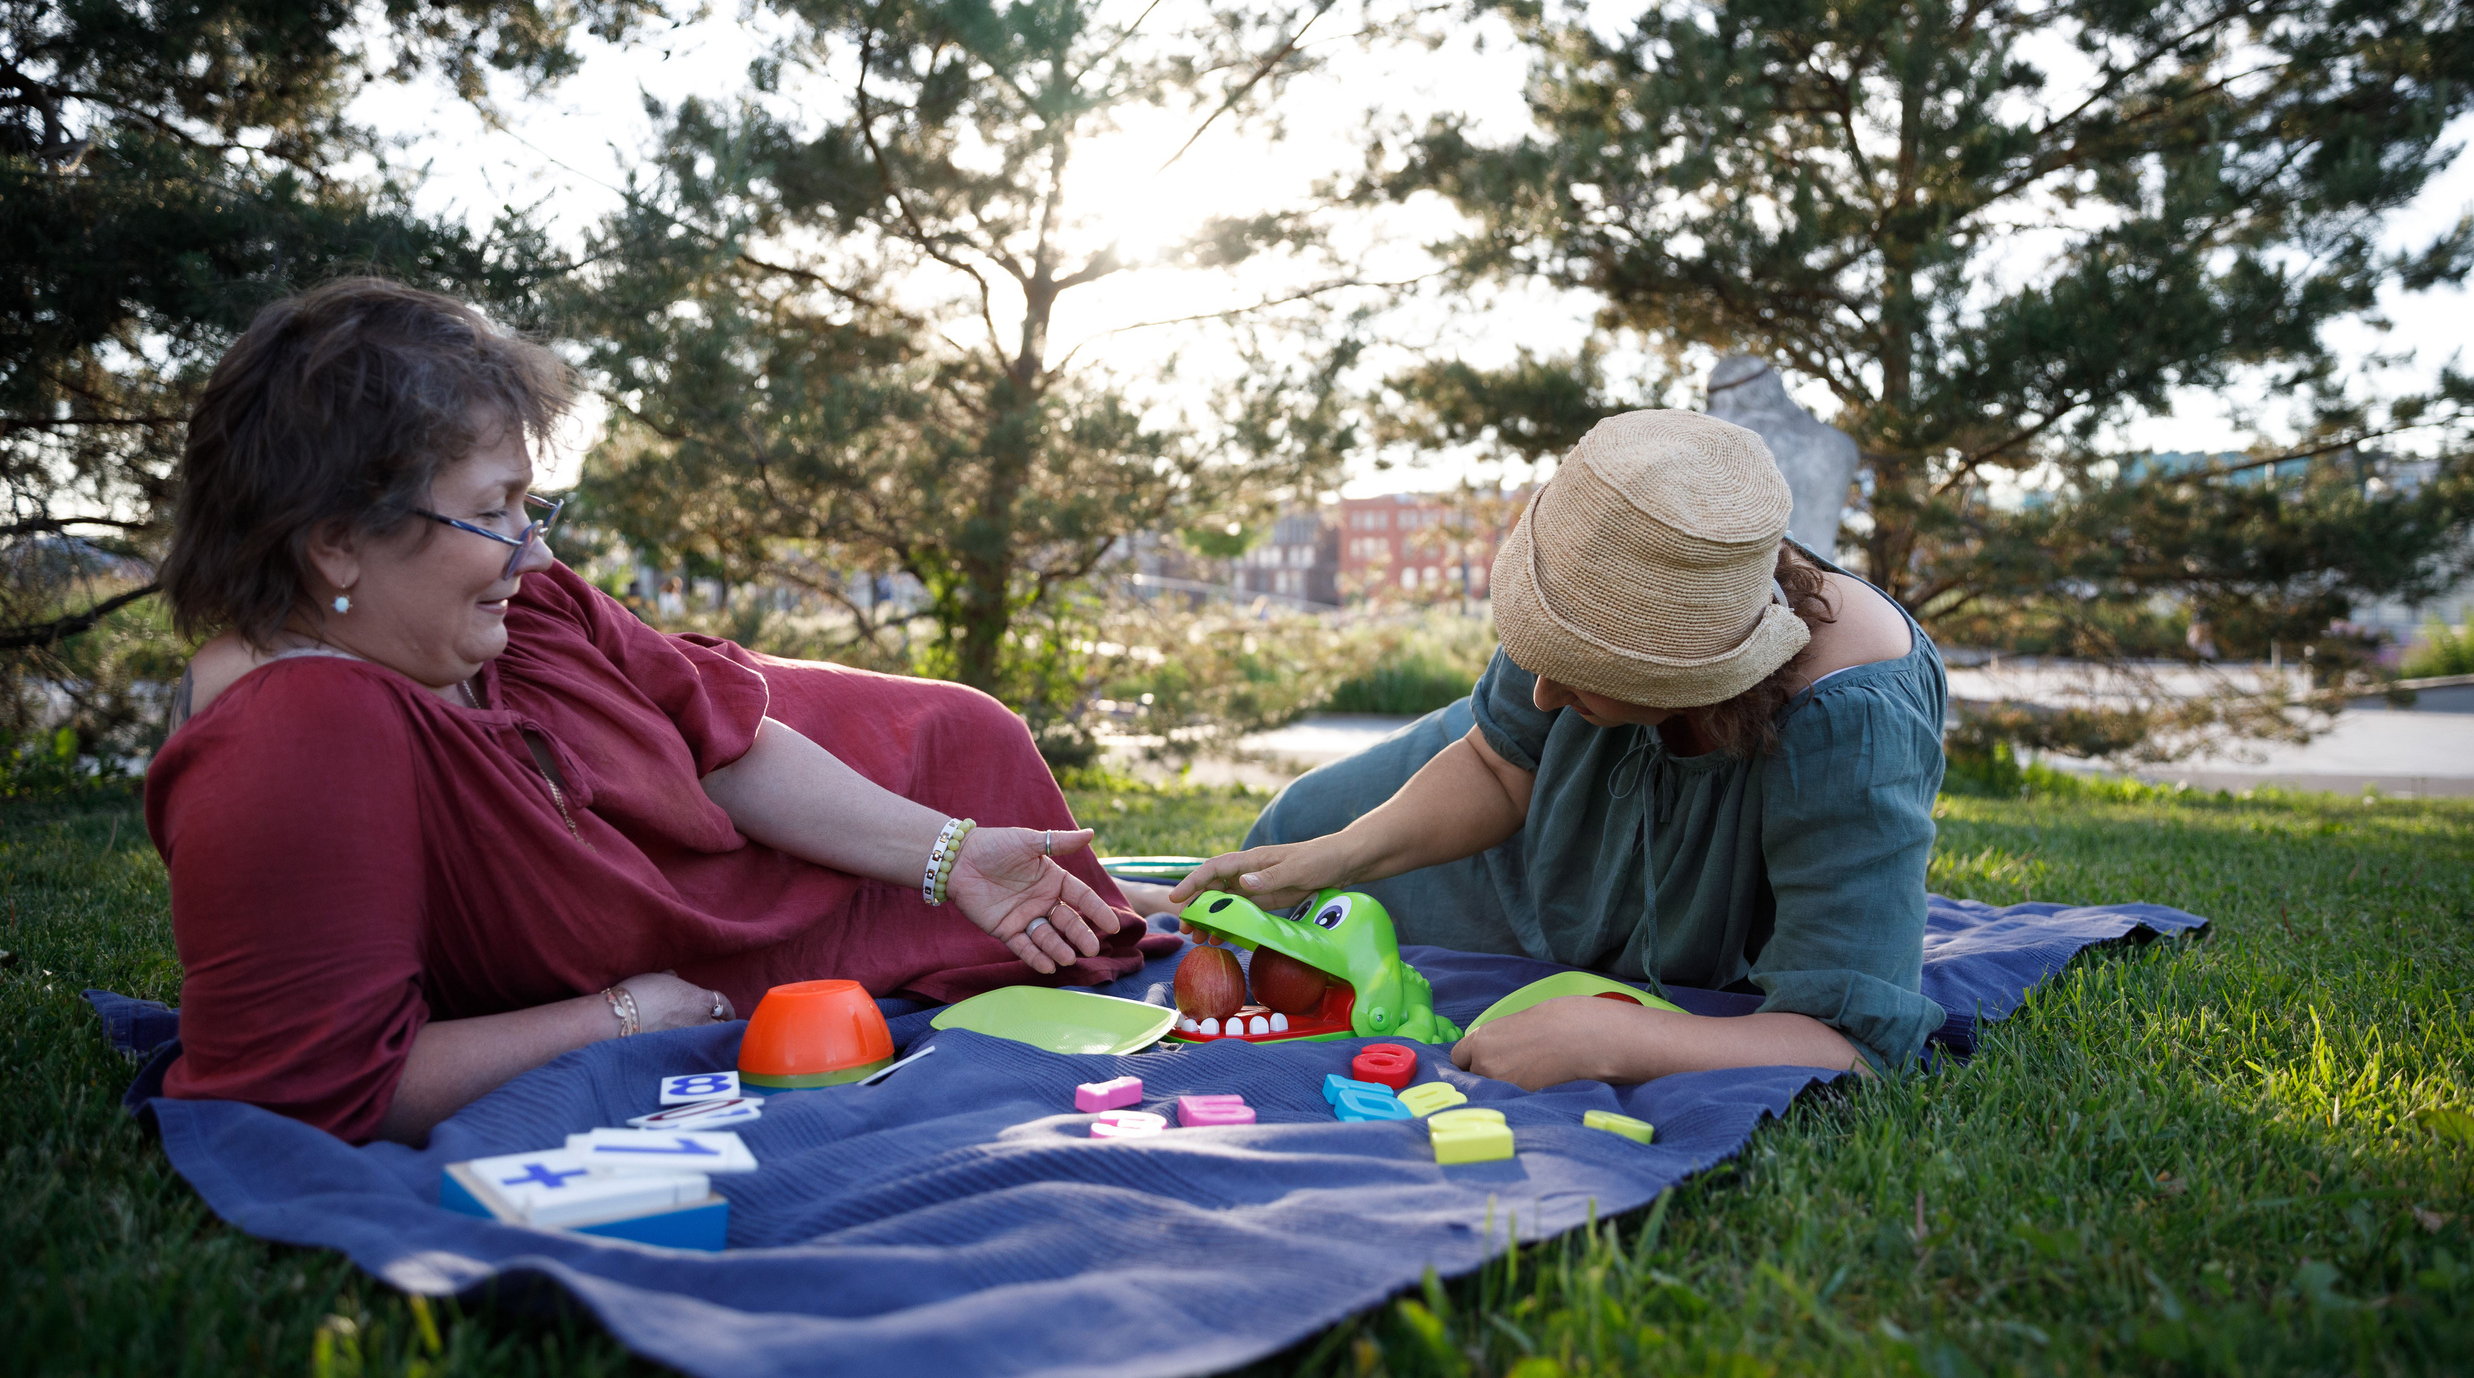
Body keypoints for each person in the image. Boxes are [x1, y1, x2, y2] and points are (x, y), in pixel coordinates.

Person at [148, 280, 1161, 1145]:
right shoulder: (293, 736)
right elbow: (317, 1093)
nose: (535, 550)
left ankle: (1112, 891)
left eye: (531, 506)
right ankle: (1116, 895)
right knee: (972, 793)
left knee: (966, 732)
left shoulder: (515, 608)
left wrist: (950, 855)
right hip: (711, 919)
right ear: (334, 542)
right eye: (494, 509)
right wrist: (616, 1019)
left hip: (773, 809)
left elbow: (726, 744)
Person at [1170, 410, 1947, 1088]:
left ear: (1697, 673)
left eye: (1581, 675)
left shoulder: (1854, 720)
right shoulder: (1612, 557)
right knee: (1291, 828)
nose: (1540, 696)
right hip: (1524, 827)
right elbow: (1497, 762)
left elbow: (1853, 1046)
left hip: (1634, 900)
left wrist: (1615, 1039)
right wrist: (1334, 856)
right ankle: (1150, 894)